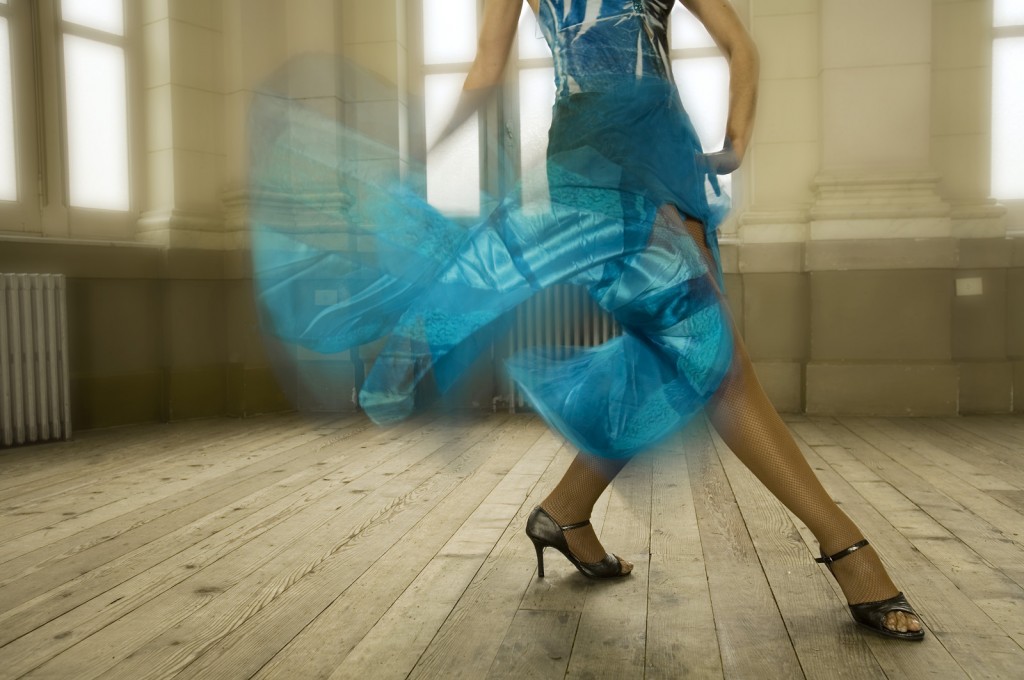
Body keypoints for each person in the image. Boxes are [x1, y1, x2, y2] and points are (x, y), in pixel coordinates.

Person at [250, 0, 924, 642]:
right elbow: (487, 69)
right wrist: (423, 161)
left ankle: (566, 512)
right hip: (593, 161)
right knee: (713, 361)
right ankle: (847, 549)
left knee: (672, 357)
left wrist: (735, 142)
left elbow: (739, 45)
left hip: (671, 154)